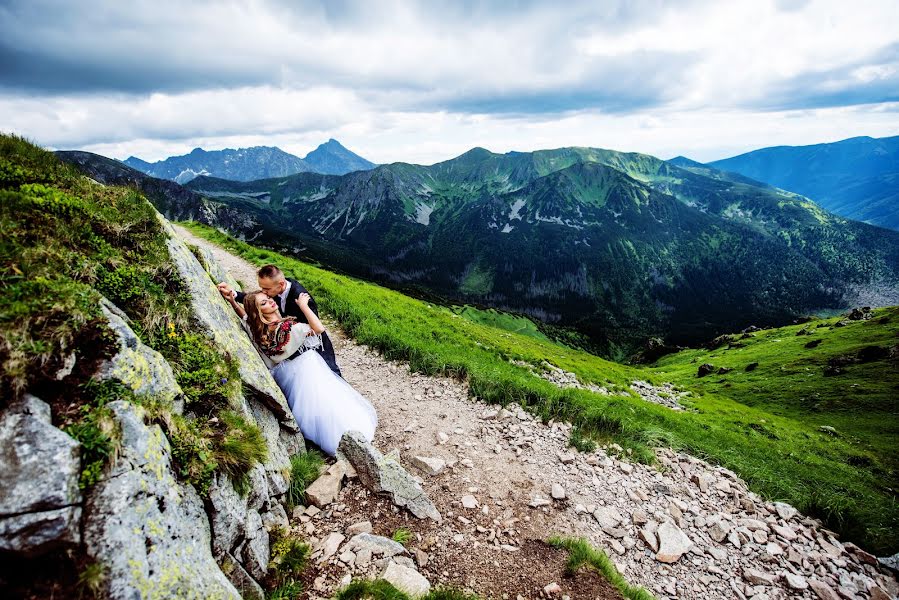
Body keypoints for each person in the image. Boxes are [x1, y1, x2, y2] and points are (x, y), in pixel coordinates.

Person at [233, 289, 376, 456]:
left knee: (311, 405)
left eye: (268, 299)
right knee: (327, 400)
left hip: (285, 374)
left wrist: (233, 302)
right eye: (263, 303)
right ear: (258, 311)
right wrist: (303, 306)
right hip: (306, 367)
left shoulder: (258, 331)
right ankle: (344, 436)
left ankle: (321, 435)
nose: (271, 302)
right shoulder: (290, 328)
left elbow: (245, 318)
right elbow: (318, 328)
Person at [217, 265, 341, 376]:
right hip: (291, 342)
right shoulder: (272, 291)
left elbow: (315, 328)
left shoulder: (302, 298)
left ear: (281, 284)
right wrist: (235, 295)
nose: (264, 292)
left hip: (313, 343)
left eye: (266, 289)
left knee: (330, 374)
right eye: (262, 288)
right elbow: (257, 301)